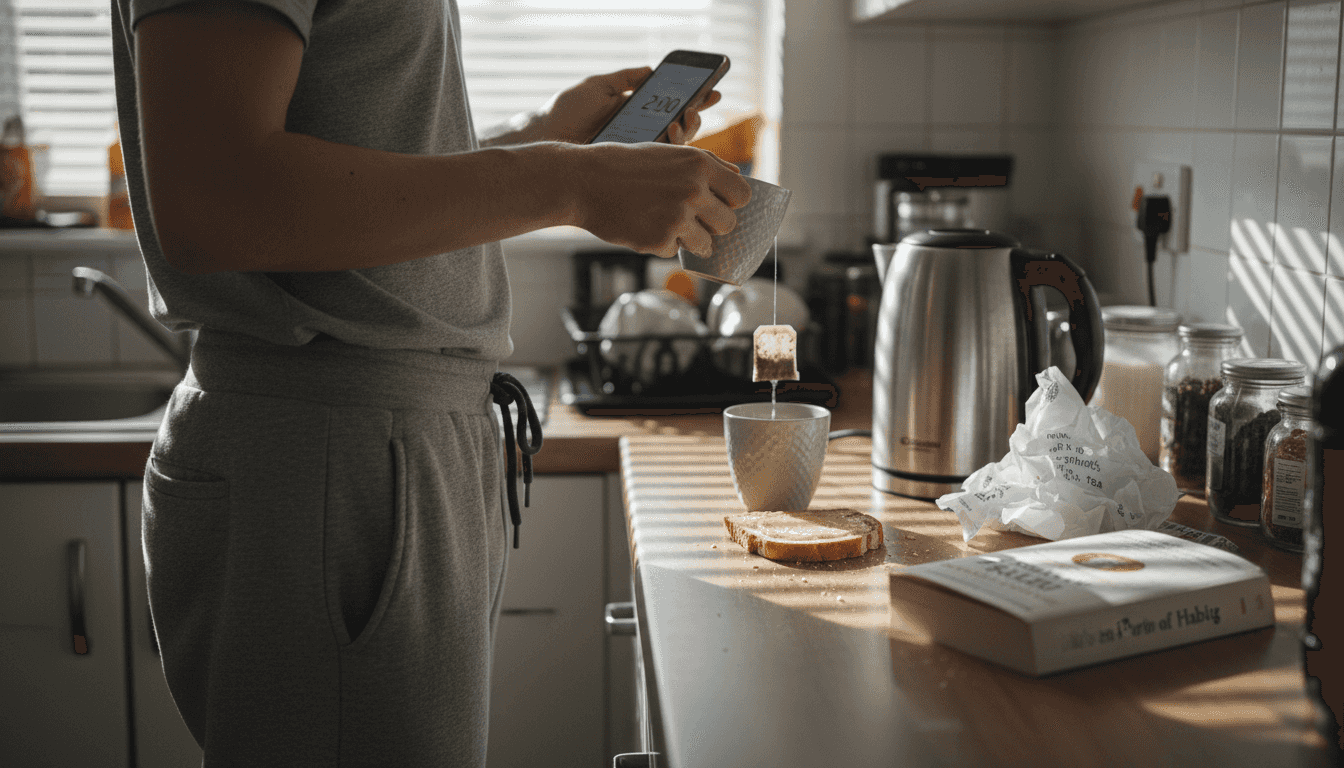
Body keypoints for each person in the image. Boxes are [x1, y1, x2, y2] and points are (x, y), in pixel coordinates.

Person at [109, 0, 751, 765]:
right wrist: (566, 182)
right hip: (337, 453)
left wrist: (542, 141)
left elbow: (347, 155)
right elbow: (218, 199)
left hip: (372, 446)